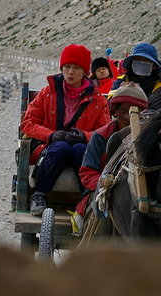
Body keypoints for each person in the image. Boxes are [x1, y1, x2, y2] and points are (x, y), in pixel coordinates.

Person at [20, 44, 110, 216]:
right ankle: (39, 195)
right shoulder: (47, 93)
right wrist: (51, 134)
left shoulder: (97, 100)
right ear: (61, 68)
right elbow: (28, 123)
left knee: (78, 149)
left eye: (76, 68)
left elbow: (104, 130)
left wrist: (84, 136)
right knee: (61, 147)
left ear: (85, 71)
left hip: (82, 148)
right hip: (50, 147)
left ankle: (87, 196)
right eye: (67, 67)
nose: (70, 72)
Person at [70, 82, 149, 234]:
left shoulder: (148, 139)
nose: (128, 117)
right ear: (115, 111)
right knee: (101, 220)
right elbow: (87, 172)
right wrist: (105, 185)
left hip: (139, 193)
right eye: (124, 111)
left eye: (134, 112)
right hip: (102, 192)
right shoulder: (101, 136)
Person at [109, 42, 161, 111]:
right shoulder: (121, 80)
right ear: (132, 62)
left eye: (145, 60)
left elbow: (158, 111)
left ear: (154, 66)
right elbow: (111, 102)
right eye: (138, 59)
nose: (141, 62)